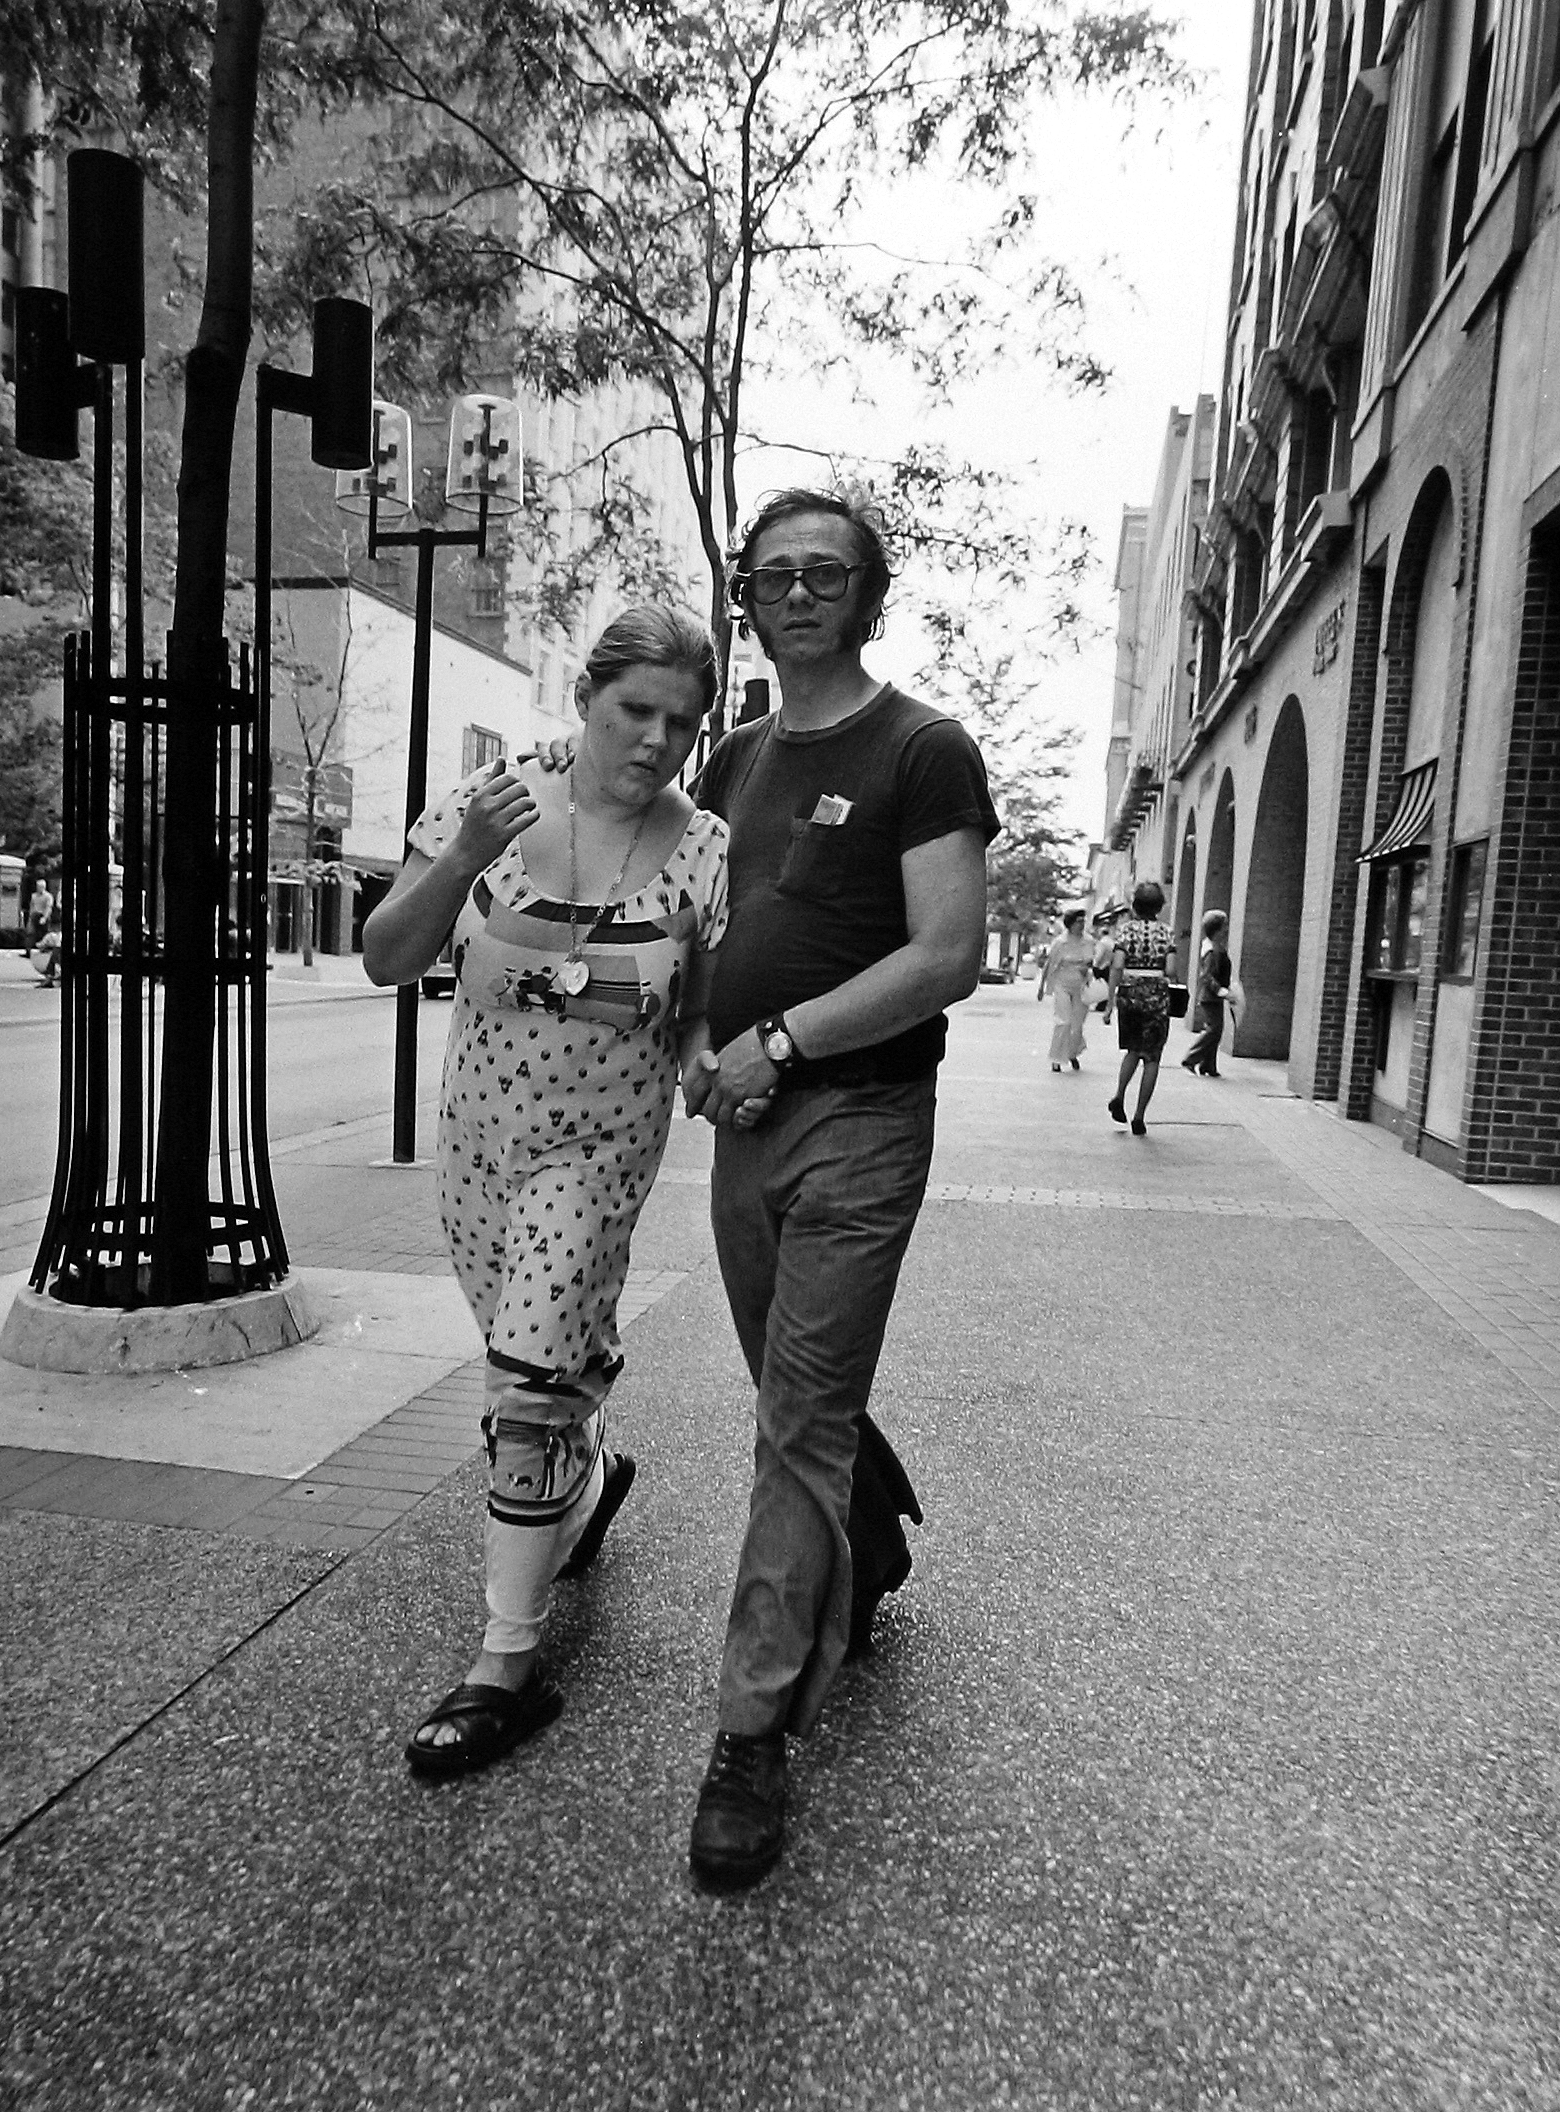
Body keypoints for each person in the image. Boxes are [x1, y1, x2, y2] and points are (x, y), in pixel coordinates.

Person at [681, 486, 997, 1890]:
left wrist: (783, 1039)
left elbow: (945, 955)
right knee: (787, 1396)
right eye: (773, 574)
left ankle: (752, 1732)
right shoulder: (734, 757)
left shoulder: (923, 749)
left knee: (795, 1418)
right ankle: (864, 1535)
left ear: (868, 598)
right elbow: (697, 917)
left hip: (858, 1124)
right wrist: (701, 1035)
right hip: (740, 1123)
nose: (797, 591)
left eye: (827, 573)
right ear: (743, 597)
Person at [362, 606, 730, 1779]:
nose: (658, 741)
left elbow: (697, 1013)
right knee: (541, 1369)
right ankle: (592, 1470)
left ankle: (504, 1666)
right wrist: (464, 855)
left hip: (602, 1155)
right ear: (587, 695)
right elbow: (386, 955)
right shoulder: (493, 802)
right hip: (481, 1151)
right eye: (636, 711)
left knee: (522, 1383)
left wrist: (713, 1065)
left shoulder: (708, 848)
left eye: (682, 721)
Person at [1105, 878, 1178, 1136]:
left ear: (1135, 904)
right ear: (1159, 906)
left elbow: (1117, 964)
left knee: (1133, 1050)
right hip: (1157, 995)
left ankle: (1119, 1095)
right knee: (1152, 1057)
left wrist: (1110, 1001)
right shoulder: (1167, 932)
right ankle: (1139, 1116)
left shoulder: (1125, 931)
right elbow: (1170, 969)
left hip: (1130, 993)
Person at [1036, 908, 1095, 1071]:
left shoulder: (1089, 941)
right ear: (1070, 924)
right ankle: (1056, 1058)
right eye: (1078, 922)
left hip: (1081, 984)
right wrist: (1042, 986)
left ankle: (1072, 1052)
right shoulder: (1060, 942)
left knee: (1077, 1024)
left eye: (1083, 921)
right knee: (1063, 1021)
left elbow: (1092, 961)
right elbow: (1050, 963)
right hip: (1062, 983)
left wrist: (1087, 968)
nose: (1081, 925)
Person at [1180, 909, 1234, 1078]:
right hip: (1211, 997)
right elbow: (1207, 975)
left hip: (1212, 997)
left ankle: (1208, 1066)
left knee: (1215, 1029)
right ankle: (1191, 1059)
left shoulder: (1213, 946)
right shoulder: (1212, 950)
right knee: (1214, 1029)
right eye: (1224, 925)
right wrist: (1220, 990)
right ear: (1217, 929)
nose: (1227, 929)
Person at [24, 876, 54, 955]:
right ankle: (28, 951)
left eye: (40, 887)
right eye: (37, 886)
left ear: (44, 887)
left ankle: (44, 951)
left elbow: (48, 908)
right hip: (34, 915)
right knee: (30, 933)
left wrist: (44, 917)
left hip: (43, 915)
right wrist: (30, 917)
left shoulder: (48, 896)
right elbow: (32, 906)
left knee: (44, 934)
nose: (38, 888)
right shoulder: (33, 896)